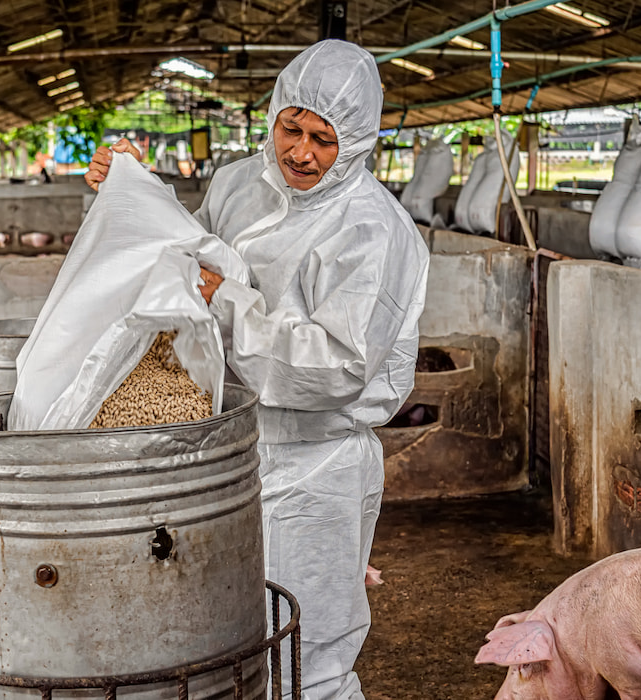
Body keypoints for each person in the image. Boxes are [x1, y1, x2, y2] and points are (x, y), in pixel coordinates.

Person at [86, 40, 429, 700]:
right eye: (291, 129)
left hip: (316, 467)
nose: (300, 153)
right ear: (271, 115)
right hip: (225, 451)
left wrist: (230, 302)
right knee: (219, 639)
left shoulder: (373, 229)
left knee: (310, 653)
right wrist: (125, 194)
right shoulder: (239, 183)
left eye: (323, 140)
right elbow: (183, 261)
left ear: (356, 142)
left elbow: (337, 365)